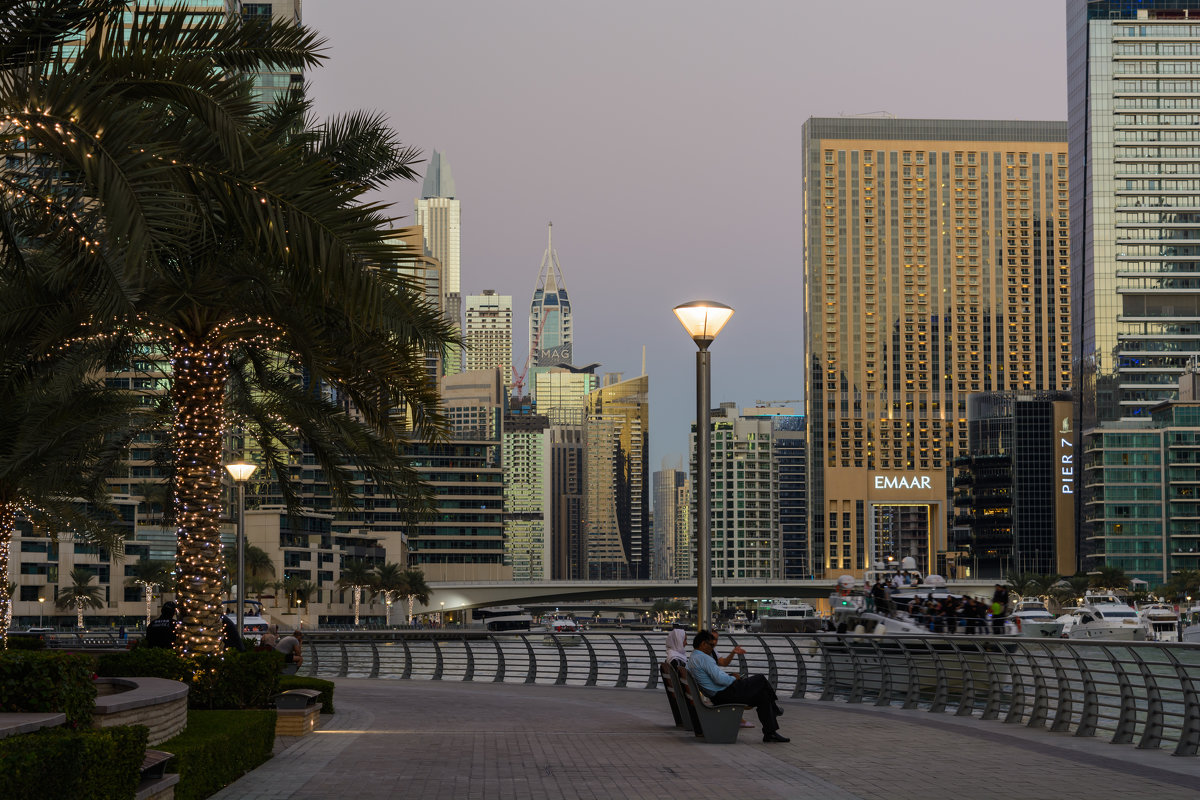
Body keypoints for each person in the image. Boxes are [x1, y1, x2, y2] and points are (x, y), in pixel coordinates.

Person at [686, 629, 788, 743]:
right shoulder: (703, 658)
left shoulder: (693, 658)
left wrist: (730, 676)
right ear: (703, 644)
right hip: (726, 694)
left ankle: (770, 733)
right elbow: (720, 679)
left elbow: (715, 678)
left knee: (763, 696)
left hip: (719, 695)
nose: (712, 648)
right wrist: (735, 678)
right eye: (711, 645)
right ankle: (775, 710)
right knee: (760, 679)